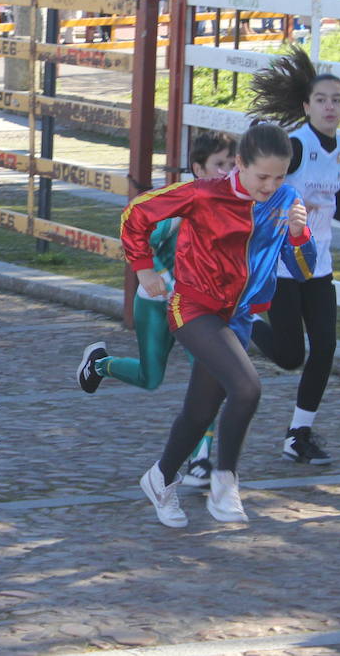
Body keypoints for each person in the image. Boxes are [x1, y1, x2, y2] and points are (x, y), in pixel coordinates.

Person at [122, 123, 314, 527]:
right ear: (240, 164)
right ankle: (225, 483)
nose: (271, 185)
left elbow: (304, 269)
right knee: (246, 387)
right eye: (263, 175)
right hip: (192, 306)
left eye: (280, 176)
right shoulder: (205, 193)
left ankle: (159, 478)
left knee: (199, 411)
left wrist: (299, 234)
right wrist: (143, 269)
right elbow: (136, 214)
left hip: (238, 318)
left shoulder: (286, 200)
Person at [77, 131, 237, 485]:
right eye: (218, 165)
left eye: (231, 165)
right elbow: (139, 233)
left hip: (198, 310)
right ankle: (100, 364)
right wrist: (152, 273)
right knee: (151, 378)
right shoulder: (180, 204)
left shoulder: (234, 203)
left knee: (208, 374)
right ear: (197, 168)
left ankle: (202, 459)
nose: (226, 173)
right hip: (157, 304)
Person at [249, 49, 340, 466]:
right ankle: (247, 321)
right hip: (284, 268)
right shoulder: (296, 148)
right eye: (321, 99)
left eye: (336, 100)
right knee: (290, 357)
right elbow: (261, 192)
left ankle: (297, 434)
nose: (329, 106)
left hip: (319, 267)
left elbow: (334, 204)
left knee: (324, 347)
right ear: (306, 106)